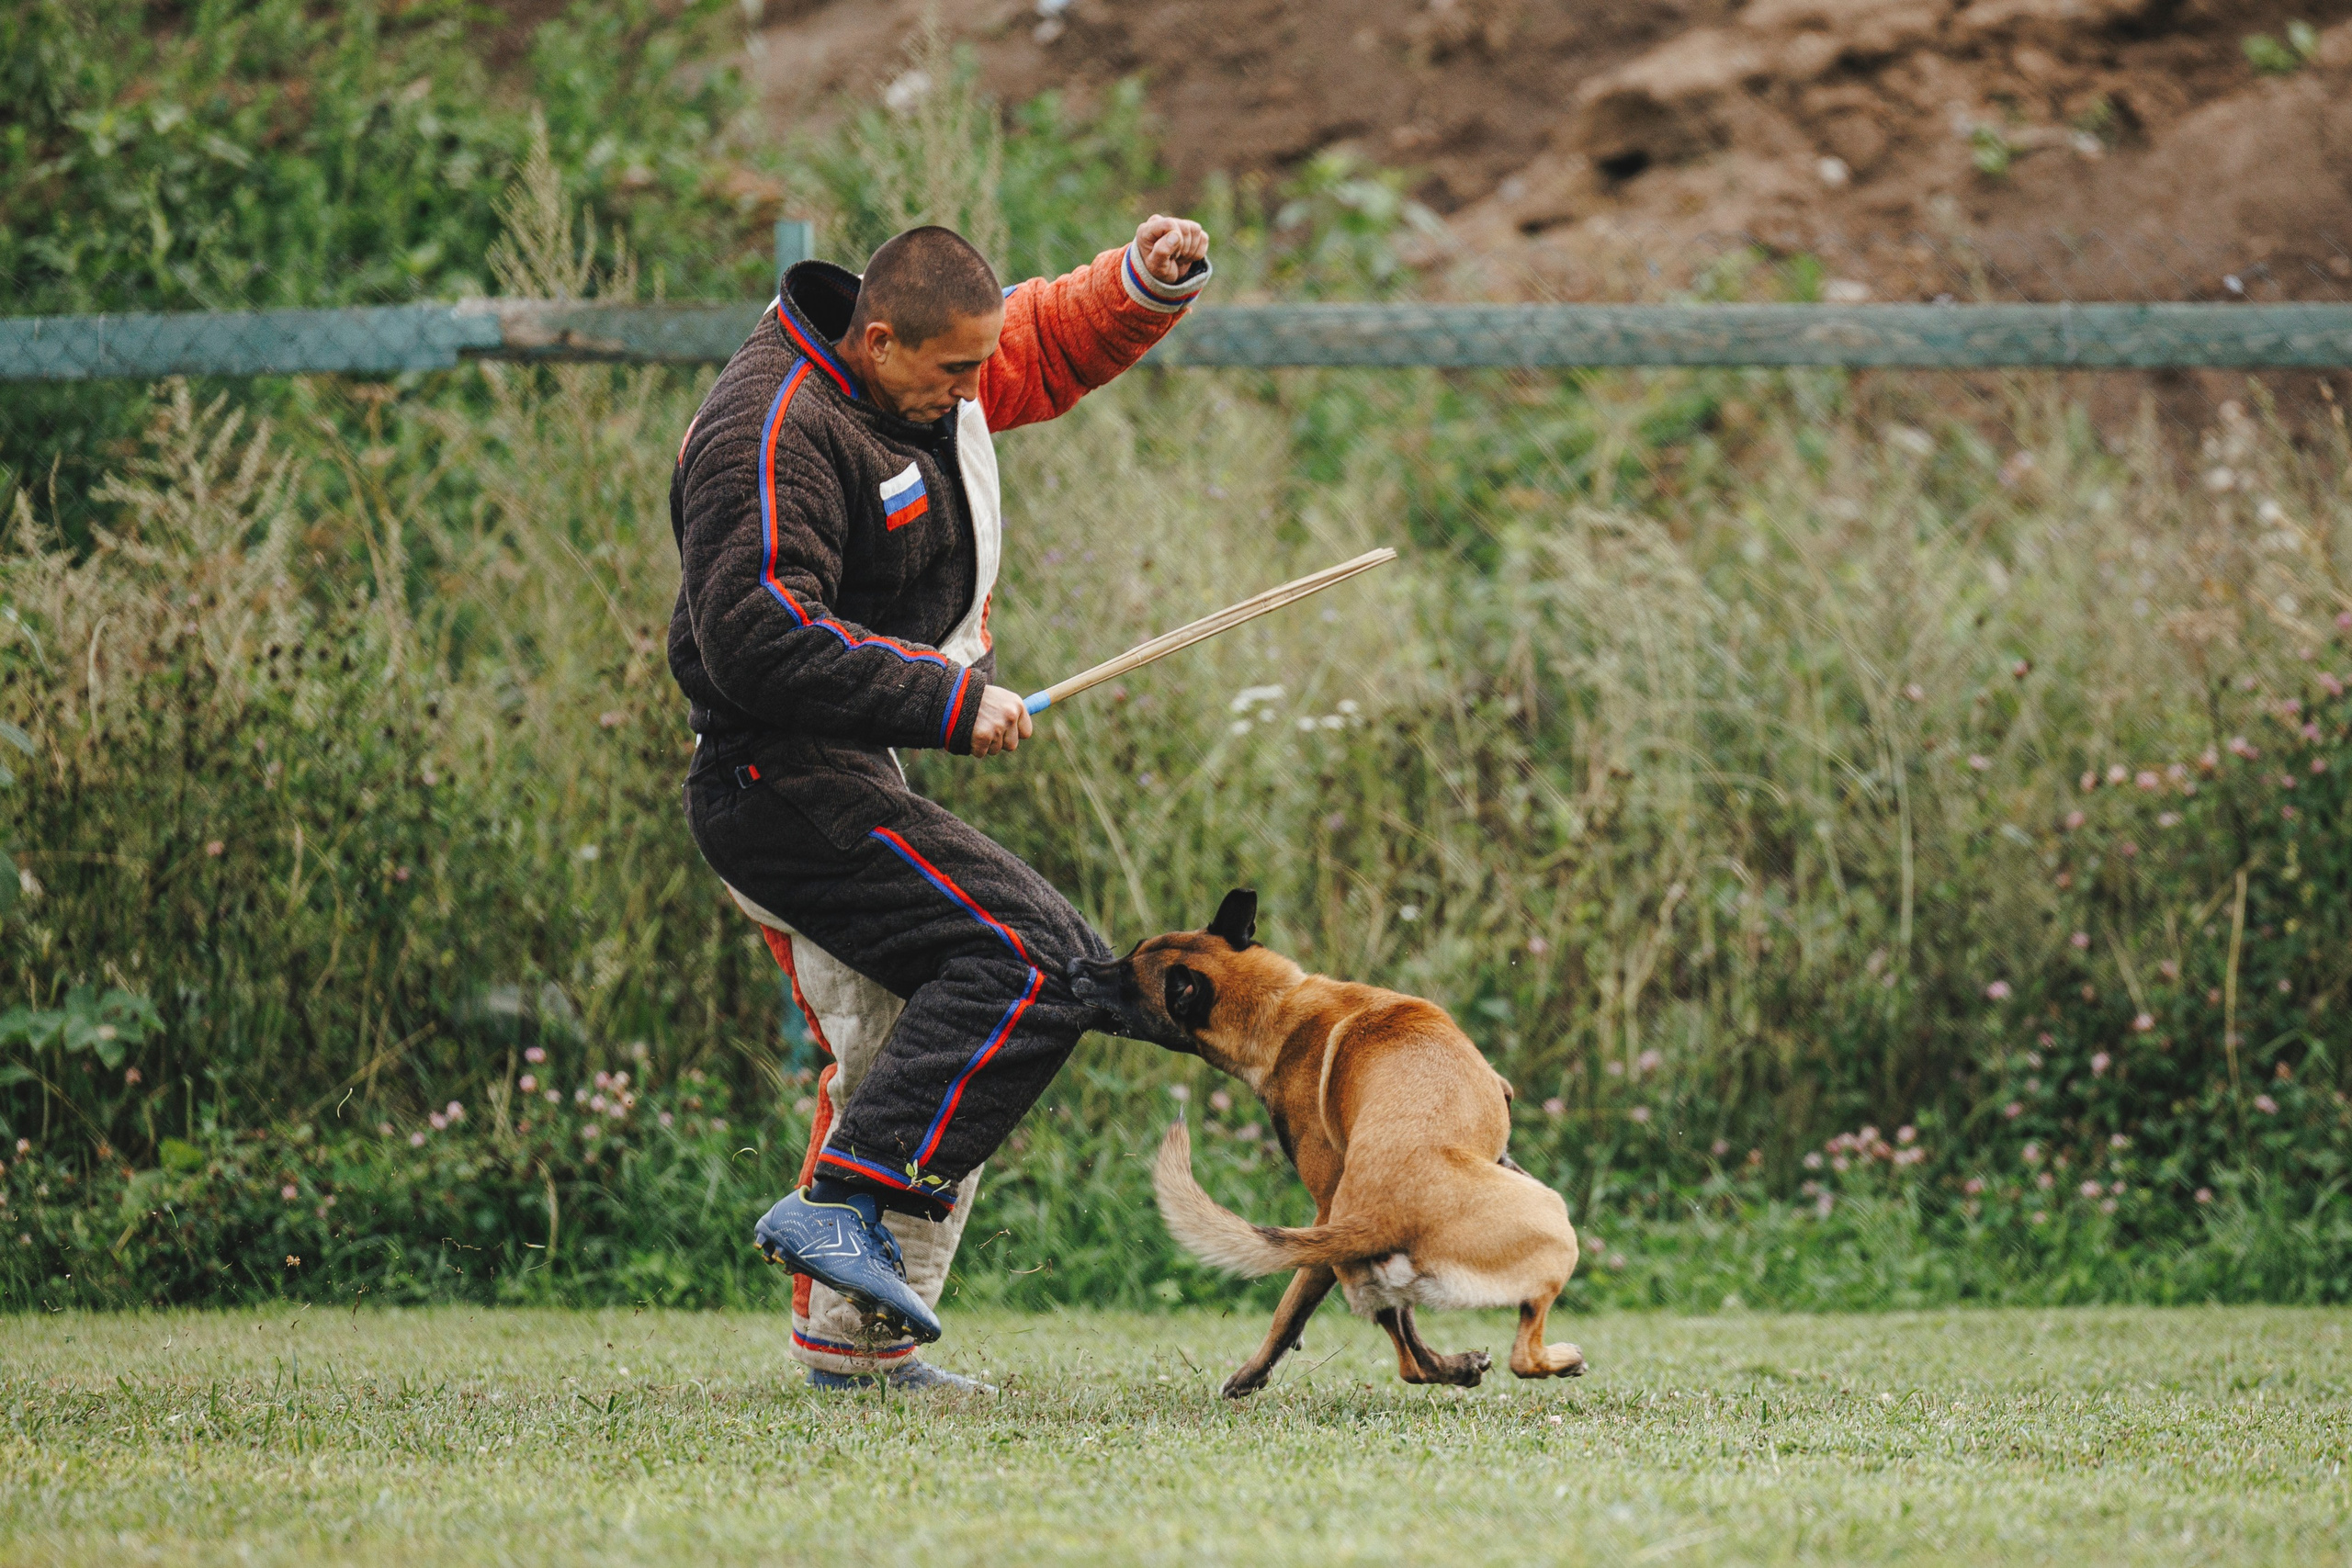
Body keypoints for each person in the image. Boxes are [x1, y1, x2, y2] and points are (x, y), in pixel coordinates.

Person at [668, 214, 1211, 1390]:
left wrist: (1139, 284)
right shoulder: (769, 430)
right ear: (876, 339)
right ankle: (843, 1216)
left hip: (846, 762)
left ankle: (860, 1343)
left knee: (1021, 985)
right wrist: (946, 701)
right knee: (1015, 973)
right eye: (957, 374)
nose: (978, 394)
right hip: (772, 775)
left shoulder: (911, 375)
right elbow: (757, 634)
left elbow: (1038, 345)